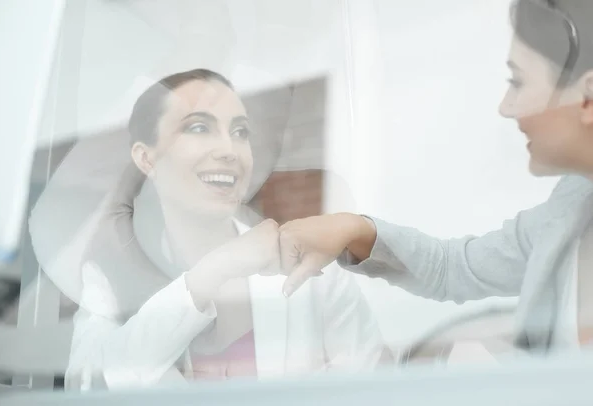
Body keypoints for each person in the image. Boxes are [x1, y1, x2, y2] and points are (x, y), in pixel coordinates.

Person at [277, 0, 593, 354]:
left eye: (518, 82)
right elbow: (452, 268)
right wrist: (356, 229)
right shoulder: (570, 209)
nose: (506, 107)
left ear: (586, 98)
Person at [65, 69, 385, 390]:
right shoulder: (108, 276)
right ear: (146, 159)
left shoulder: (311, 266)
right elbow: (86, 385)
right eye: (199, 127)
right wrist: (208, 276)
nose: (229, 150)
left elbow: (378, 388)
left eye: (240, 132)